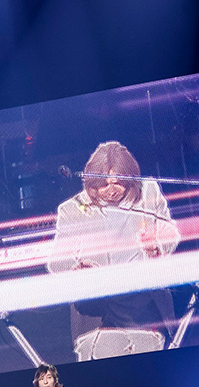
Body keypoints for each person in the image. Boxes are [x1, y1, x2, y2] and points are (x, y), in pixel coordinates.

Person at [46, 142, 180, 359]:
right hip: (97, 306)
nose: (111, 190)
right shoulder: (72, 209)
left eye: (117, 182)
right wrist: (76, 269)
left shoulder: (148, 191)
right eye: (103, 184)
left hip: (143, 301)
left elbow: (170, 231)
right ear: (91, 183)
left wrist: (158, 245)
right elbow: (56, 262)